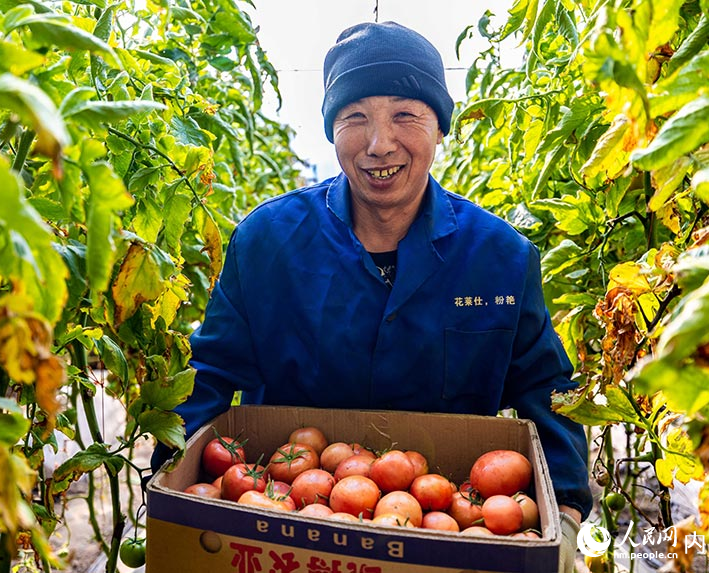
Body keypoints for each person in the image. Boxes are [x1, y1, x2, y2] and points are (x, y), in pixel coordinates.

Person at [153, 20, 591, 570]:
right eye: (354, 118)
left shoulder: (499, 257)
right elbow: (209, 373)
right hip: (285, 531)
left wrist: (568, 512)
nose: (379, 144)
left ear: (439, 126)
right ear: (332, 131)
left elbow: (547, 389)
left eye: (405, 115)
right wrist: (172, 484)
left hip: (446, 537)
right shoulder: (267, 244)